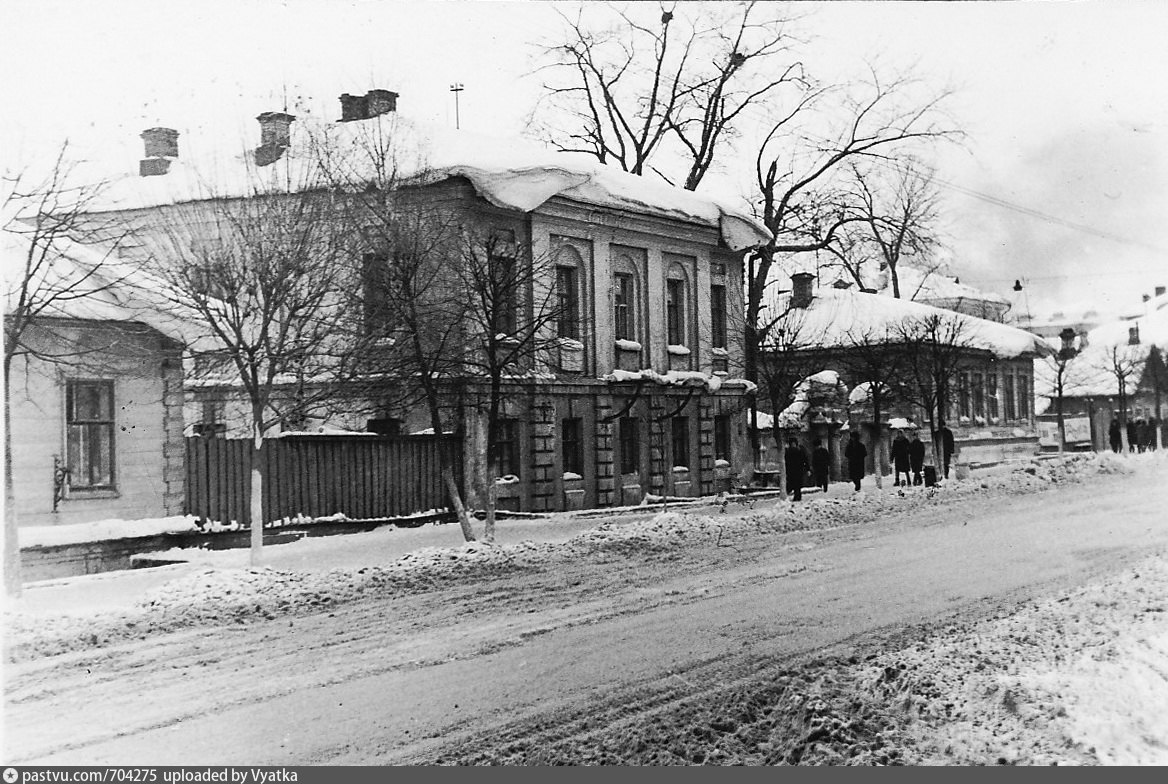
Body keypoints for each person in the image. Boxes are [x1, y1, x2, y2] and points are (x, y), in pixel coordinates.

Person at [784, 437, 809, 502]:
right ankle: (796, 496)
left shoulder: (799, 451)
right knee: (794, 484)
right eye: (792, 444)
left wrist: (807, 469)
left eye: (794, 443)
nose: (793, 445)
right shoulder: (789, 452)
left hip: (798, 470)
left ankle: (797, 496)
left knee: (797, 485)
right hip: (792, 471)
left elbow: (805, 460)